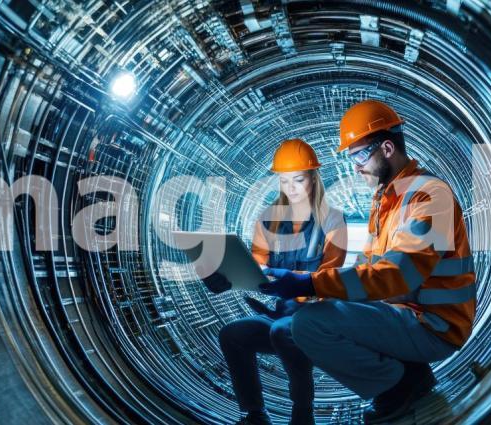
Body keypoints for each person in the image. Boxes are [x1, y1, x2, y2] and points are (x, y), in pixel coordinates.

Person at [261, 100, 477, 423]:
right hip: (406, 315)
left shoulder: (429, 196)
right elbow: (368, 271)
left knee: (310, 326)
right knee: (305, 316)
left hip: (434, 326)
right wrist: (309, 297)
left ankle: (398, 386)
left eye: (360, 155)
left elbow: (397, 275)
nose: (356, 167)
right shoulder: (386, 201)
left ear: (387, 148)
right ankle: (410, 373)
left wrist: (309, 282)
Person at [203, 138, 347, 425]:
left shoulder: (333, 221)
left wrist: (298, 287)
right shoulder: (267, 220)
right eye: (284, 180)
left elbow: (329, 278)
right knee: (233, 334)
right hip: (281, 316)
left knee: (285, 331)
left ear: (314, 178)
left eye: (299, 179)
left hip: (319, 321)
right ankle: (255, 414)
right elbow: (257, 268)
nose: (291, 188)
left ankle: (302, 416)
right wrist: (226, 278)